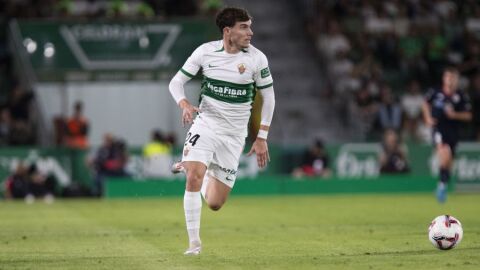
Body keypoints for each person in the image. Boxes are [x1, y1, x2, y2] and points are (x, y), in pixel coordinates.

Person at [168, 7, 275, 255]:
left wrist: (262, 137)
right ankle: (194, 243)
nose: (251, 31)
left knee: (215, 203)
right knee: (193, 175)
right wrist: (183, 103)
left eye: (250, 25)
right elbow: (176, 82)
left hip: (234, 135)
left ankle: (199, 167)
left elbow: (269, 98)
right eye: (244, 26)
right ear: (228, 31)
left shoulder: (257, 58)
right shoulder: (205, 52)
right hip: (206, 123)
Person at [422, 67, 472, 203]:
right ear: (444, 78)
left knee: (449, 162)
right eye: (448, 77)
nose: (450, 80)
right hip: (438, 129)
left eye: (453, 78)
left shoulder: (461, 96)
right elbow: (425, 103)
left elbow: (468, 116)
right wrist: (427, 118)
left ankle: (442, 185)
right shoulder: (435, 92)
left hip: (454, 132)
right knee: (445, 153)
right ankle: (442, 186)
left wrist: (455, 115)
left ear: (457, 80)